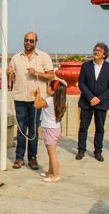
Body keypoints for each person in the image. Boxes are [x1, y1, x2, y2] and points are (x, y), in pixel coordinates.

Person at [7, 32, 54, 170]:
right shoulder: (16, 57)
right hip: (20, 97)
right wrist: (9, 72)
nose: (28, 43)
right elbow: (11, 76)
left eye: (31, 41)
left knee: (33, 129)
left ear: (36, 42)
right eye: (26, 40)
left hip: (36, 100)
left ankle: (32, 158)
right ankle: (19, 157)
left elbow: (51, 75)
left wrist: (37, 73)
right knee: (21, 128)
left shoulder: (44, 57)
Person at [76, 42, 109, 162]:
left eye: (99, 50)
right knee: (83, 127)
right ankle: (81, 150)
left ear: (104, 55)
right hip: (86, 102)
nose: (96, 51)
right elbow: (81, 83)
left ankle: (98, 151)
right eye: (95, 49)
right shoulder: (86, 66)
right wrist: (91, 97)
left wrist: (99, 99)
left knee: (100, 128)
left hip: (101, 103)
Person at [32, 80, 67, 183]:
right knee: (51, 152)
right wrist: (38, 97)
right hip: (55, 128)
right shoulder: (58, 100)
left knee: (51, 154)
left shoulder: (50, 100)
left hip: (49, 129)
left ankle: (55, 175)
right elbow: (43, 103)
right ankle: (50, 172)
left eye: (48, 87)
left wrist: (37, 95)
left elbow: (37, 105)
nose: (47, 88)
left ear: (52, 90)